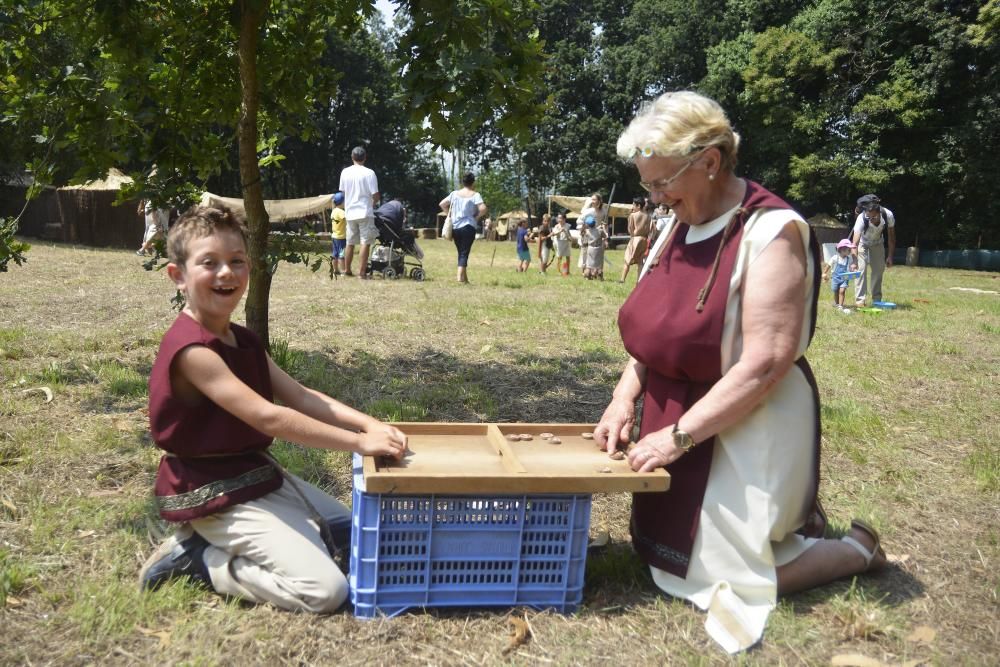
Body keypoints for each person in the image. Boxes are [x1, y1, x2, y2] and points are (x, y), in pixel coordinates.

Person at [598, 91, 887, 653]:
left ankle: (855, 551)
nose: (655, 199)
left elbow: (766, 362)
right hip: (673, 412)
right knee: (661, 558)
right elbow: (658, 330)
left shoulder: (773, 230)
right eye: (647, 186)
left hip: (749, 419)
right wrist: (622, 398)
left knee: (720, 582)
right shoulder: (676, 222)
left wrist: (678, 436)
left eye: (662, 184)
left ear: (709, 160)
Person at [138, 205, 408, 612]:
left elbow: (299, 396)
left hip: (254, 476)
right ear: (178, 276)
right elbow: (269, 416)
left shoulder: (243, 340)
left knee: (352, 535)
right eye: (209, 263)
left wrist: (371, 423)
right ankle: (201, 560)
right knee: (325, 591)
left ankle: (227, 547)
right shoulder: (193, 351)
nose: (226, 273)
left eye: (236, 261)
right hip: (210, 490)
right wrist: (359, 443)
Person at [339, 146, 380, 279]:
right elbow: (376, 195)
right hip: (365, 212)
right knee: (365, 242)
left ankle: (347, 270)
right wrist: (373, 204)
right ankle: (362, 273)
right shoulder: (370, 173)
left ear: (352, 157)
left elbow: (343, 193)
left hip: (350, 212)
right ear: (365, 157)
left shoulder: (345, 172)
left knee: (349, 243)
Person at [439, 172, 487, 283]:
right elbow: (483, 209)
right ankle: (460, 278)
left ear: (462, 182)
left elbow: (442, 204)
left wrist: (449, 215)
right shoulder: (475, 195)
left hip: (455, 227)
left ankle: (465, 280)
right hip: (468, 227)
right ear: (473, 182)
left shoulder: (454, 194)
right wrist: (476, 216)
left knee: (461, 252)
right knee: (464, 252)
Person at [851, 194, 895, 306]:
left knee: (878, 270)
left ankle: (877, 300)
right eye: (868, 217)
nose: (871, 219)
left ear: (879, 212)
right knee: (860, 269)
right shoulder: (861, 218)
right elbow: (854, 243)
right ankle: (860, 300)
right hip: (862, 243)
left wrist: (890, 256)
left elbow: (891, 238)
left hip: (878, 242)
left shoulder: (887, 215)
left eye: (873, 217)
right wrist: (854, 261)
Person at [620, 196, 652, 283]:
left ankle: (622, 279)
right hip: (644, 239)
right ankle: (639, 280)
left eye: (633, 205)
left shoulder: (633, 215)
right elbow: (650, 229)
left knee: (627, 259)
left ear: (638, 206)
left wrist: (632, 236)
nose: (632, 206)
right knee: (640, 261)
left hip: (635, 239)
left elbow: (630, 228)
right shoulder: (648, 216)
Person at [824, 238, 858, 312]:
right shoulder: (835, 258)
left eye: (850, 250)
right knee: (836, 291)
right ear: (841, 250)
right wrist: (824, 273)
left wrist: (854, 270)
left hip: (844, 278)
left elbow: (850, 268)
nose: (850, 251)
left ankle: (840, 306)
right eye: (848, 250)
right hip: (835, 278)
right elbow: (828, 265)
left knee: (842, 291)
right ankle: (837, 303)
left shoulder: (848, 259)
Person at [579, 194, 607, 272]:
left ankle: (598, 272)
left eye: (594, 199)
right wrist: (582, 232)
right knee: (585, 253)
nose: (592, 201)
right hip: (588, 234)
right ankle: (585, 271)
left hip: (598, 234)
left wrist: (605, 238)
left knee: (599, 254)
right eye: (592, 199)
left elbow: (605, 225)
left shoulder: (604, 211)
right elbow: (583, 222)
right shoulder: (588, 211)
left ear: (599, 201)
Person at [582, 215, 607, 280]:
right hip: (598, 249)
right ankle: (600, 277)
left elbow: (592, 230)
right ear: (595, 223)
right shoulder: (600, 230)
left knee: (589, 265)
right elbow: (605, 236)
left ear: (588, 224)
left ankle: (588, 275)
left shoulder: (587, 231)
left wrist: (600, 227)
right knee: (599, 265)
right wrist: (604, 227)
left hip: (590, 249)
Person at [329, 192, 347, 277]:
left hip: (334, 236)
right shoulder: (341, 212)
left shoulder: (334, 211)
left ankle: (335, 270)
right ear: (342, 202)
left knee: (334, 254)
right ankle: (344, 271)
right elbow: (348, 218)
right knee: (341, 255)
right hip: (341, 237)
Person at [552, 212, 572, 276]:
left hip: (566, 242)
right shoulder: (556, 226)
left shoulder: (568, 225)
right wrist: (560, 231)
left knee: (568, 257)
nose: (559, 219)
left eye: (560, 218)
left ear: (564, 219)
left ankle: (567, 271)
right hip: (559, 242)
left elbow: (569, 235)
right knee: (559, 257)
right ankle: (559, 271)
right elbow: (554, 234)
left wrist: (565, 232)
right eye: (558, 218)